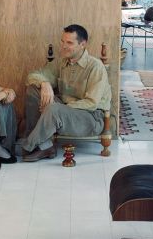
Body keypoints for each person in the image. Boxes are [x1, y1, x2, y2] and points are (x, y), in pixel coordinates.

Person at [21, 24, 111, 162]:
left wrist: (60, 109)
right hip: (64, 110)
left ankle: (27, 146)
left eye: (69, 43)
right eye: (63, 41)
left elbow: (92, 103)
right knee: (34, 90)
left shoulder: (95, 66)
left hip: (90, 117)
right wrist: (44, 84)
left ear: (82, 44)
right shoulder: (61, 62)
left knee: (54, 109)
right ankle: (45, 145)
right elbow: (34, 75)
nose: (63, 46)